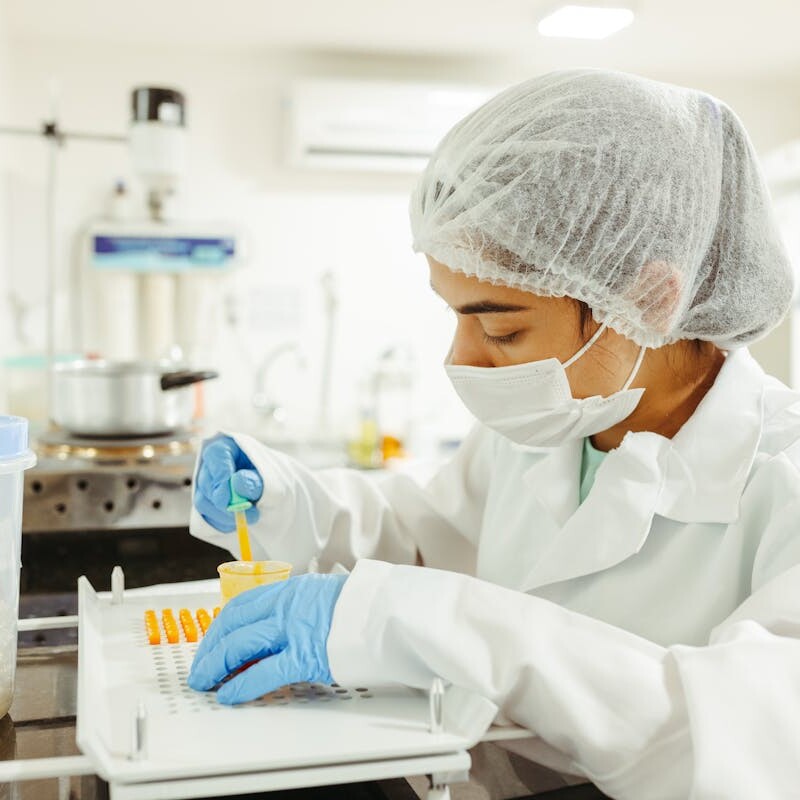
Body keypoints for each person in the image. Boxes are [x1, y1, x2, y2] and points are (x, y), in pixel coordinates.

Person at [187, 70, 800, 799]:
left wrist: (443, 627)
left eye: (501, 326)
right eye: (456, 317)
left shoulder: (781, 477)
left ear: (650, 298)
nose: (462, 358)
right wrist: (285, 500)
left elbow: (748, 739)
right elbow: (427, 539)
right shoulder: (550, 429)